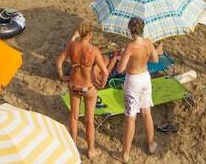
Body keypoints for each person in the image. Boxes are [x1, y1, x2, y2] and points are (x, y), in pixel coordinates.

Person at [56, 21, 109, 159]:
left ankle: (73, 145)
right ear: (90, 34)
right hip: (89, 87)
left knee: (73, 117)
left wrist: (62, 76)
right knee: (89, 120)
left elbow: (59, 61)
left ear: (79, 33)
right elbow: (105, 71)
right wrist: (102, 84)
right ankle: (91, 150)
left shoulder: (71, 45)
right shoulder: (94, 50)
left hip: (74, 85)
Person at [116, 16, 159, 160]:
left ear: (130, 30)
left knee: (131, 118)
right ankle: (151, 144)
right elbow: (155, 59)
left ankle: (125, 154)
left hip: (133, 81)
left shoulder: (130, 47)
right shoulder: (148, 43)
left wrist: (122, 57)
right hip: (145, 78)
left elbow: (120, 69)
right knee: (147, 112)